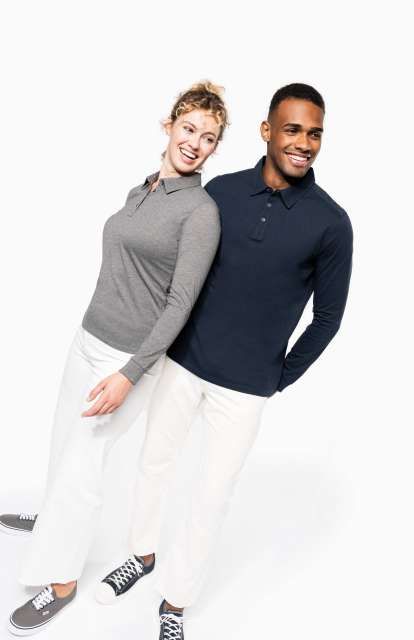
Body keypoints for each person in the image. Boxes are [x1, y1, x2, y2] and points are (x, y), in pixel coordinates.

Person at [91, 82, 354, 640]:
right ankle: (141, 555)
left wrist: (277, 377)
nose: (303, 143)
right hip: (184, 363)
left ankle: (176, 604)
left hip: (246, 389)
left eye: (315, 133)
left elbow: (328, 319)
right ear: (266, 131)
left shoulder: (332, 223)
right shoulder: (222, 193)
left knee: (211, 496)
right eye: (292, 129)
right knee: (153, 465)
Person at [5, 80, 229, 636]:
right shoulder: (143, 188)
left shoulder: (200, 213)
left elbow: (180, 303)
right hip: (87, 338)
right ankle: (52, 522)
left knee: (84, 467)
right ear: (169, 126)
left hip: (126, 358)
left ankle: (61, 583)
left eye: (208, 138)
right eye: (188, 129)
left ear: (215, 147)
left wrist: (130, 375)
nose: (195, 143)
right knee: (64, 444)